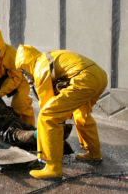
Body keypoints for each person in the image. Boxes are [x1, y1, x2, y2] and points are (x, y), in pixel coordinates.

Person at [15, 44, 107, 180]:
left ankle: (53, 168)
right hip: (99, 76)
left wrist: (43, 136)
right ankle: (94, 153)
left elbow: (46, 103)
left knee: (47, 116)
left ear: (26, 64)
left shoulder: (40, 66)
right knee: (81, 114)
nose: (25, 75)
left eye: (23, 71)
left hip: (84, 79)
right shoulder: (49, 56)